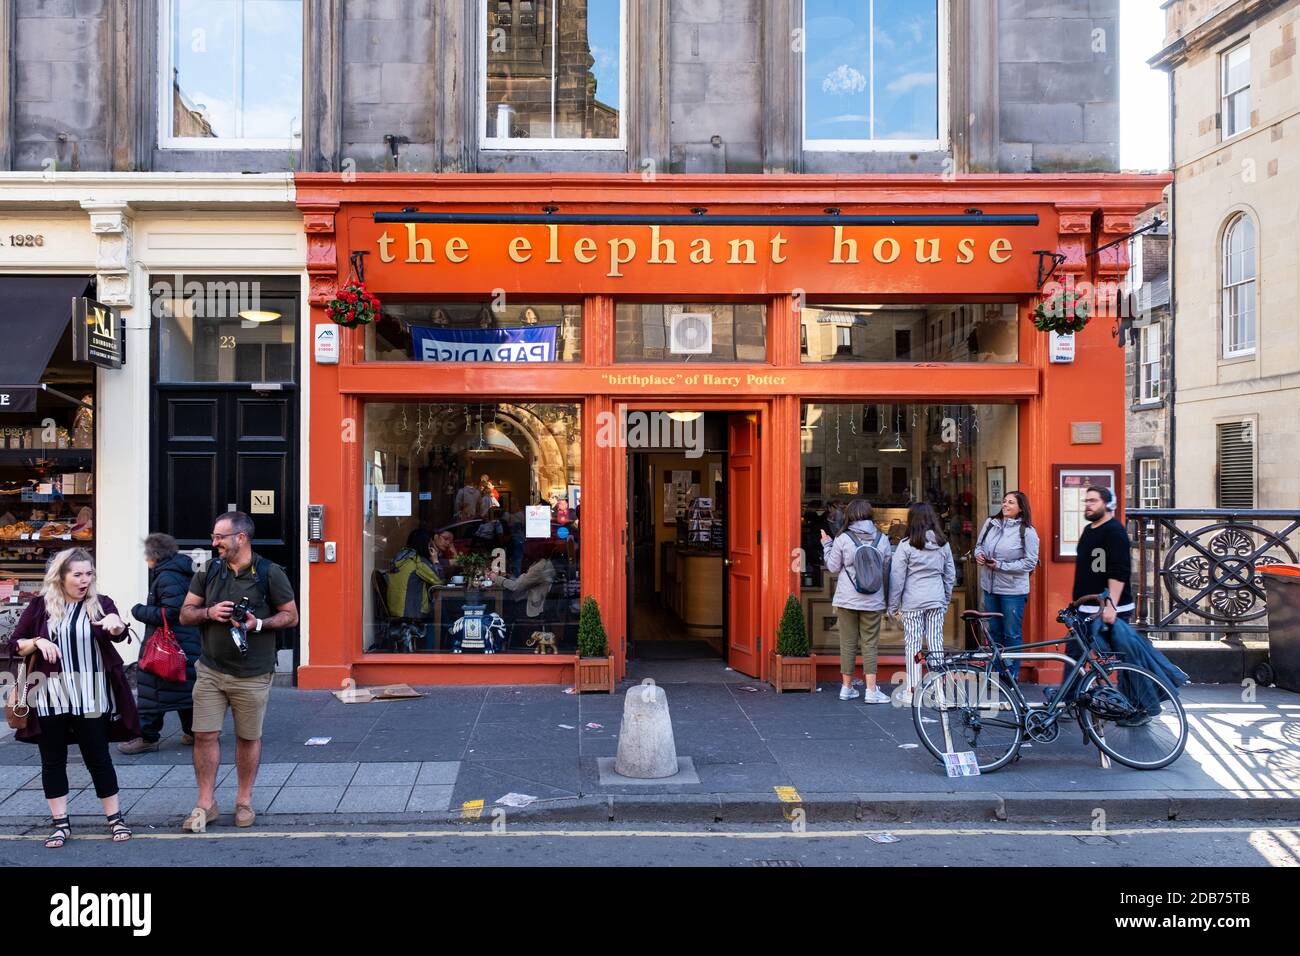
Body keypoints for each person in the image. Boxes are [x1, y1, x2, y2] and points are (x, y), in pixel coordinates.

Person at [7, 548, 140, 847]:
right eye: (77, 574)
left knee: (98, 758)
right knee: (53, 760)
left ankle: (115, 818)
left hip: (90, 695)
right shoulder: (41, 606)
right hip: (49, 695)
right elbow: (15, 644)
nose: (84, 580)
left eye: (89, 573)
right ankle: (60, 824)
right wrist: (38, 641)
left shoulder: (100, 604)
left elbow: (116, 629)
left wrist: (117, 627)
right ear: (61, 576)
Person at [178, 512, 298, 832]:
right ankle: (206, 803)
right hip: (211, 669)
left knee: (248, 737)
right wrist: (208, 612)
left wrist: (257, 623)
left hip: (253, 673)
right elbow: (186, 614)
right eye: (214, 536)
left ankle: (243, 800)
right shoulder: (208, 571)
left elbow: (291, 616)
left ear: (241, 538)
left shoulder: (270, 573)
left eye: (220, 537)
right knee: (204, 735)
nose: (214, 543)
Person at [120, 533, 202, 754]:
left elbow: (172, 612)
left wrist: (139, 611)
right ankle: (195, 732)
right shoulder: (180, 571)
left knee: (151, 689)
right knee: (183, 689)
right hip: (185, 643)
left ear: (154, 555)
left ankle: (147, 737)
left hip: (167, 645)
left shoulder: (166, 577)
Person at [820, 499, 892, 704]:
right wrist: (887, 599)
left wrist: (827, 545)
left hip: (847, 599)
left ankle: (846, 687)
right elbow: (887, 569)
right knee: (870, 644)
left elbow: (833, 567)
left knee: (848, 643)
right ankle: (871, 690)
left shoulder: (843, 538)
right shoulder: (882, 539)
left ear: (850, 515)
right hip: (873, 600)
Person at [887, 503, 956, 704]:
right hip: (935, 599)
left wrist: (892, 606)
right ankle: (939, 691)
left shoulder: (906, 545)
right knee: (936, 644)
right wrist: (945, 598)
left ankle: (913, 690)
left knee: (913, 646)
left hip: (912, 601)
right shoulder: (943, 544)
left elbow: (897, 578)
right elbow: (949, 574)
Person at [974, 491, 1041, 681]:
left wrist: (1001, 566)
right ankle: (996, 671)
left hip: (1013, 591)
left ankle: (1012, 672)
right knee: (994, 631)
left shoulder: (1027, 531)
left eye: (1011, 502)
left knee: (1011, 633)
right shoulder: (990, 524)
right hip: (990, 588)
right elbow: (978, 546)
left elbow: (1030, 562)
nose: (1005, 505)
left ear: (1021, 507)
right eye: (1004, 501)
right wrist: (978, 555)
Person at [1072, 484, 1135, 631]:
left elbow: (1119, 571)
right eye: (1086, 501)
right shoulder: (1089, 530)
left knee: (1114, 652)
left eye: (1093, 501)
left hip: (1107, 609)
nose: (1088, 505)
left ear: (1107, 504)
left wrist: (1111, 606)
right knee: (1075, 652)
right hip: (1086, 606)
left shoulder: (1114, 531)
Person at [386, 528, 443, 618]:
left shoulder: (400, 556)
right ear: (425, 545)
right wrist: (435, 560)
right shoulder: (417, 561)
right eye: (429, 544)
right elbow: (439, 581)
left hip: (395, 609)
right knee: (444, 610)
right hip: (412, 612)